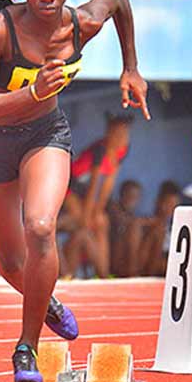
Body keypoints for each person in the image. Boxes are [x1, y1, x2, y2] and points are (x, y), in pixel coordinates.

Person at [0, 0, 150, 382]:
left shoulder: (82, 23)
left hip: (45, 134)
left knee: (42, 226)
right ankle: (44, 301)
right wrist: (31, 92)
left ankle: (26, 346)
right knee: (10, 262)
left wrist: (130, 67)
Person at [58, 112, 133, 279]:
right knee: (84, 224)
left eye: (125, 134)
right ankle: (93, 274)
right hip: (70, 188)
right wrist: (87, 216)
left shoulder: (123, 150)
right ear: (109, 134)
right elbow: (94, 187)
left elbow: (107, 185)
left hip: (83, 192)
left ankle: (103, 273)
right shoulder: (100, 150)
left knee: (101, 221)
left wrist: (97, 211)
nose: (123, 138)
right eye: (119, 134)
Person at [137, 181, 181, 277]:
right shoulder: (148, 222)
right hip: (148, 265)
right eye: (167, 203)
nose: (169, 208)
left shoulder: (177, 226)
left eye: (173, 204)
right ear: (158, 201)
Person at [106, 179, 143, 278]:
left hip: (126, 259)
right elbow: (123, 220)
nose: (131, 200)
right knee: (134, 227)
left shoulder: (133, 215)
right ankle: (133, 274)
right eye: (129, 196)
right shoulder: (113, 208)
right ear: (121, 195)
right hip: (111, 260)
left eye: (135, 197)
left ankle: (136, 272)